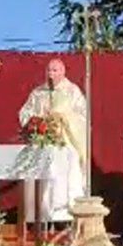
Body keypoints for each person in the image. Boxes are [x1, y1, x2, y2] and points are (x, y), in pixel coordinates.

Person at [18, 59, 87, 222]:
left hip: (65, 143)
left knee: (65, 177)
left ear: (63, 72)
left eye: (55, 71)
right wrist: (36, 120)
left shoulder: (72, 91)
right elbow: (24, 114)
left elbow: (83, 116)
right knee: (40, 177)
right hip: (42, 143)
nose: (51, 74)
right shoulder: (38, 93)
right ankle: (39, 216)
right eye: (49, 70)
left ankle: (65, 216)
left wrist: (63, 117)